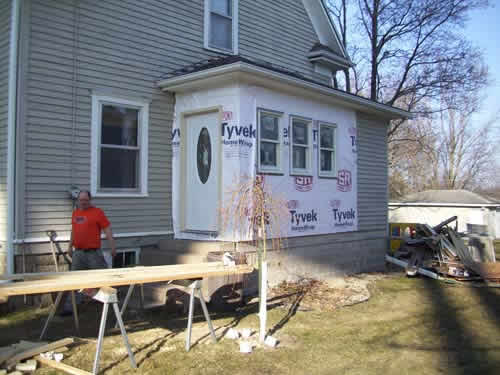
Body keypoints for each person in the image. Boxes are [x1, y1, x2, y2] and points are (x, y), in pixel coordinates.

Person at [61, 190, 116, 315]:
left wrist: (112, 245)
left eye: (86, 200)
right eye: (81, 200)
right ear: (78, 200)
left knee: (102, 279)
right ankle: (70, 308)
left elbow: (107, 229)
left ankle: (111, 306)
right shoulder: (75, 213)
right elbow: (73, 231)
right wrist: (70, 246)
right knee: (75, 281)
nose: (83, 202)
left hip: (93, 254)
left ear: (90, 200)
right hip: (78, 253)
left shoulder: (97, 212)